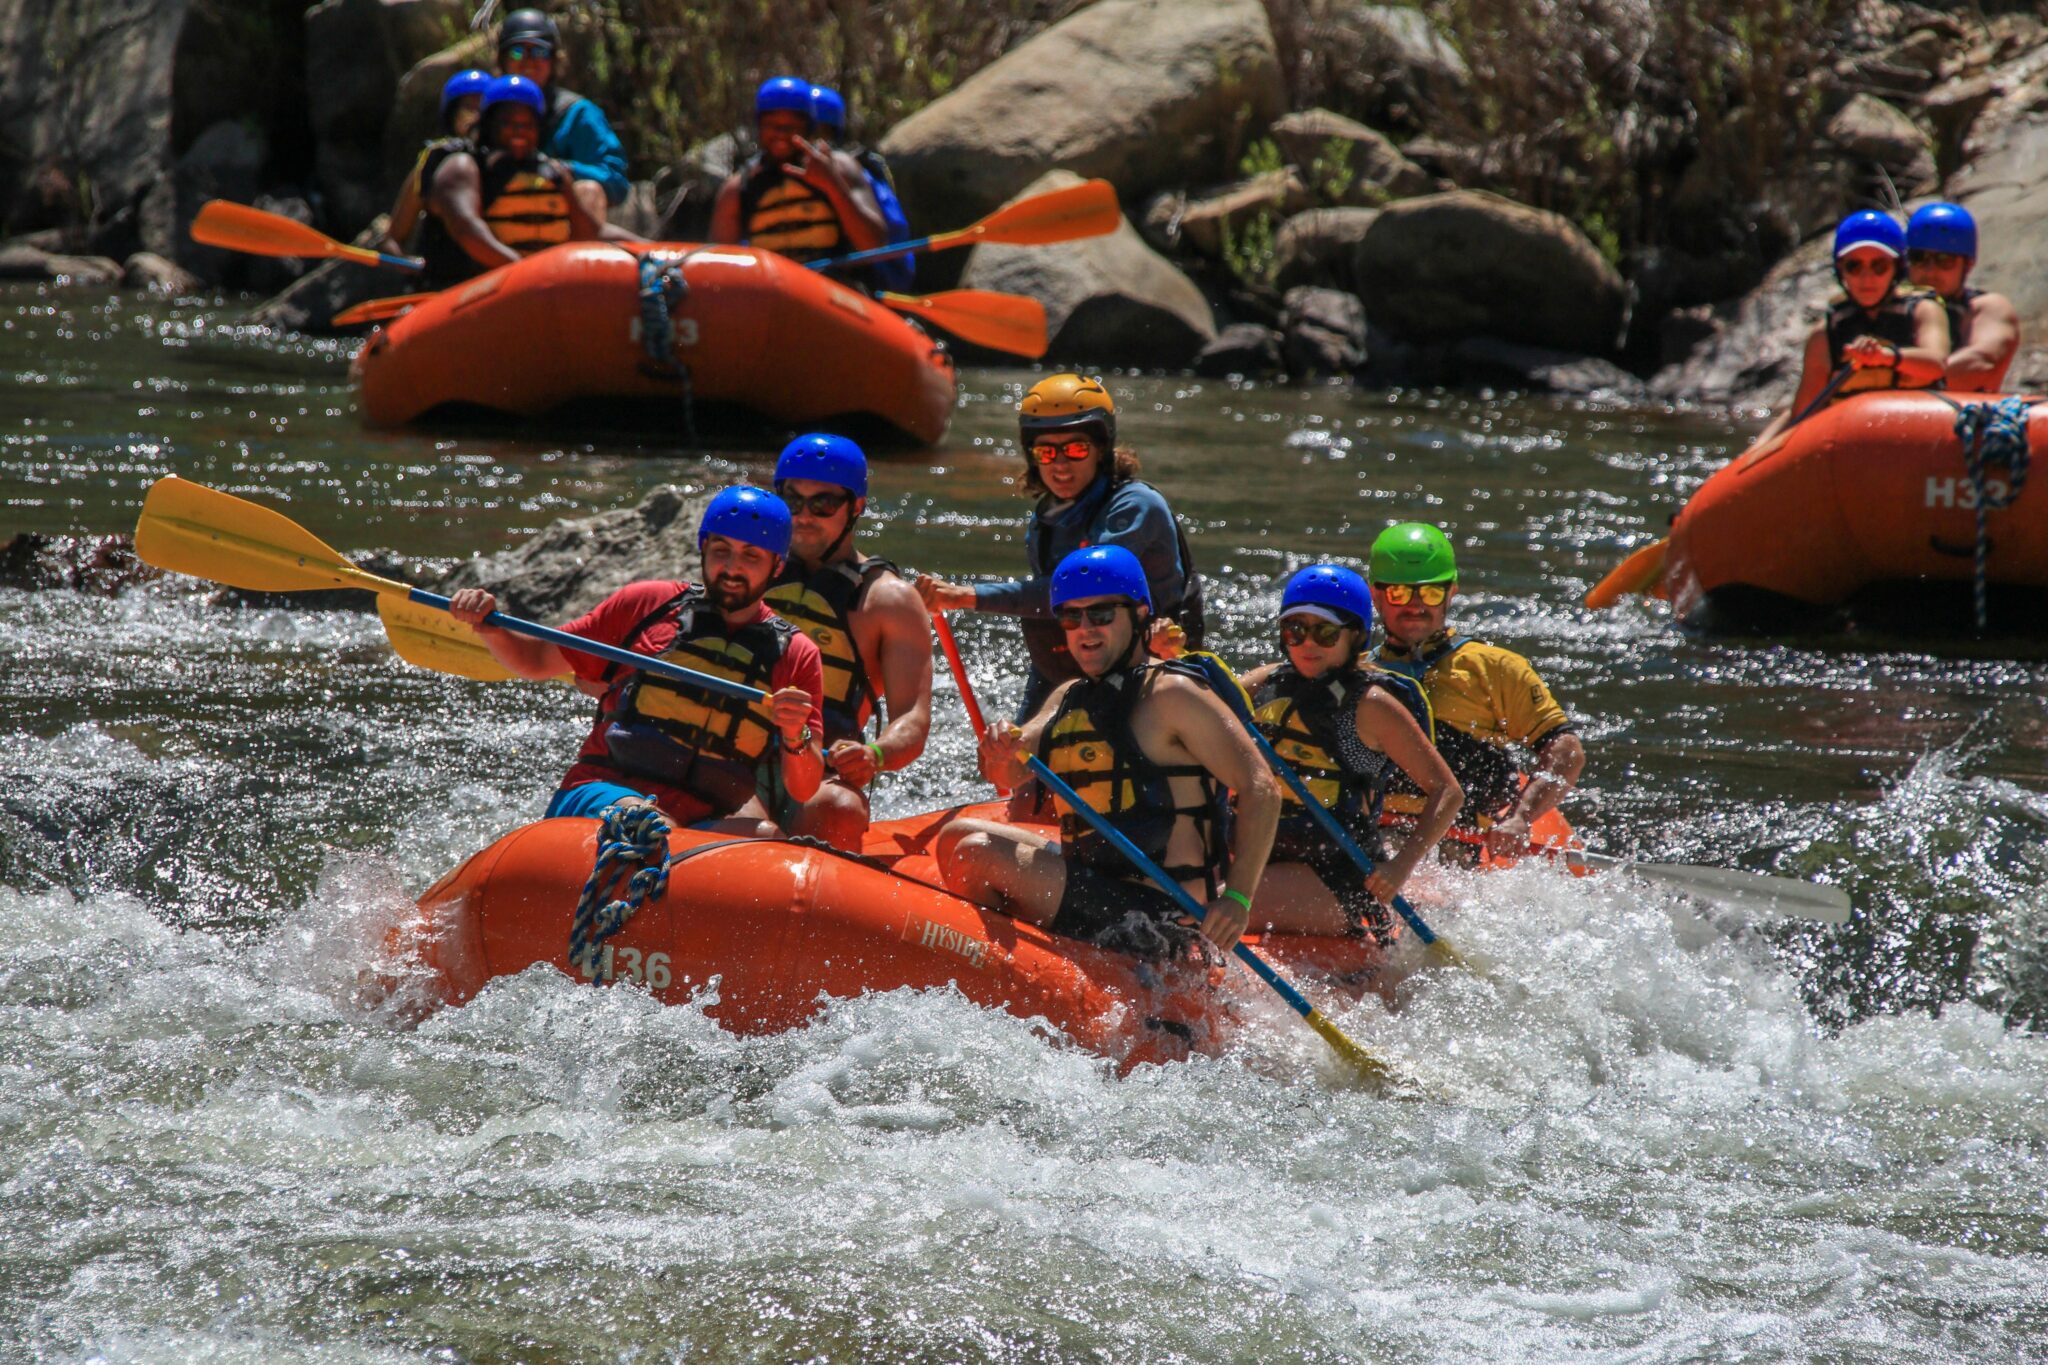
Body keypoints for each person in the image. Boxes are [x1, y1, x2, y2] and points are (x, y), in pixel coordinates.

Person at [936, 546, 1281, 957]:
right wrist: (998, 749)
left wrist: (1238, 899)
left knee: (976, 854)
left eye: (1100, 614)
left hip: (1161, 917)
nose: (1085, 629)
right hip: (1098, 885)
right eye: (1071, 617)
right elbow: (1008, 773)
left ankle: (1013, 967)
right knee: (953, 837)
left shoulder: (1174, 694)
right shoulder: (1069, 696)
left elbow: (1261, 787)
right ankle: (1032, 964)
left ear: (1138, 615)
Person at [446, 485, 826, 830]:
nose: (731, 568)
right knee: (653, 825)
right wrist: (490, 626)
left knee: (768, 837)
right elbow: (537, 658)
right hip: (604, 791)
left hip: (700, 815)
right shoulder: (647, 604)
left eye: (750, 556)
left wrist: (795, 734)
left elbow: (805, 786)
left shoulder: (795, 654)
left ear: (777, 566)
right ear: (703, 547)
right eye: (721, 550)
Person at [915, 375, 1206, 721]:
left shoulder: (1135, 507)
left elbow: (1077, 592)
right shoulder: (1046, 521)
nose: (1060, 463)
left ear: (1101, 449)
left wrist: (966, 596)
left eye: (1076, 448)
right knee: (1019, 761)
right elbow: (1057, 616)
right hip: (1074, 662)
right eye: (1046, 451)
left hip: (1150, 662)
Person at [1237, 565, 1463, 939]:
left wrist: (1400, 869)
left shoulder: (1371, 705)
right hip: (1266, 854)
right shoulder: (1268, 682)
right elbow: (1205, 701)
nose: (1307, 644)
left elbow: (1448, 792)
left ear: (1355, 636)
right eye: (1296, 630)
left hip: (1338, 877)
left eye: (1325, 633)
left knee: (1210, 905)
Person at [1367, 523, 1585, 863]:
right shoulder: (1355, 674)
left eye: (1430, 593)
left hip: (1456, 843)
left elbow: (1567, 751)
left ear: (1451, 592)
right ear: (1375, 595)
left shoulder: (1496, 668)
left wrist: (1520, 818)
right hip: (1370, 834)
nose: (1415, 605)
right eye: (1399, 593)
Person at [762, 433, 934, 850]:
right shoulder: (746, 567)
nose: (804, 516)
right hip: (727, 751)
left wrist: (874, 754)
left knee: (839, 807)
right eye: (792, 500)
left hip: (816, 770)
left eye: (822, 504)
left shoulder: (888, 601)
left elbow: (912, 717)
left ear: (856, 507)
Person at [415, 75, 632, 290]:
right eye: (508, 123)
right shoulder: (462, 167)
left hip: (529, 291)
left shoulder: (552, 173)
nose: (519, 131)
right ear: (490, 124)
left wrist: (651, 249)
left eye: (527, 124)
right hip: (462, 292)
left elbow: (592, 232)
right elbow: (466, 228)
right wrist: (527, 272)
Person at [1757, 210, 1949, 443]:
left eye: (1879, 266)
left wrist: (1885, 357)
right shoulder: (1825, 334)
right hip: (1853, 446)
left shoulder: (1924, 311)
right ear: (1841, 270)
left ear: (1897, 268)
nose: (1867, 278)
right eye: (1855, 266)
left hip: (1918, 437)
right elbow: (1802, 413)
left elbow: (1936, 364)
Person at [708, 76, 888, 266]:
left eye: (791, 126)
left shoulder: (840, 167)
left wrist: (832, 185)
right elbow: (717, 265)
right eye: (772, 125)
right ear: (759, 127)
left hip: (833, 286)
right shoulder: (737, 189)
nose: (780, 133)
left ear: (808, 127)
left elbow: (874, 245)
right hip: (771, 292)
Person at [495, 8, 630, 224]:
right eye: (517, 52)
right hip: (500, 229)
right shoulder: (487, 111)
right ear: (502, 60)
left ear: (554, 59)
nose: (528, 61)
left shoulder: (577, 114)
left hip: (561, 230)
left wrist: (558, 170)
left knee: (589, 189)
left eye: (539, 52)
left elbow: (616, 183)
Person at [1906, 202, 2020, 394]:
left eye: (1945, 260)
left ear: (1968, 265)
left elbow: (1981, 364)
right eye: (1919, 257)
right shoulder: (1889, 304)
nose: (1930, 270)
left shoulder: (1987, 308)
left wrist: (1892, 373)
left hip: (1961, 417)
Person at [809, 84, 914, 293]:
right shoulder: (759, 177)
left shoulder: (851, 170)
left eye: (817, 130)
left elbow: (886, 242)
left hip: (857, 284)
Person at [381, 67, 489, 257]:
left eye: (482, 109)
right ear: (452, 116)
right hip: (446, 275)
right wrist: (405, 263)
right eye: (468, 109)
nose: (476, 118)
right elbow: (393, 239)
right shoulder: (433, 162)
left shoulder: (509, 157)